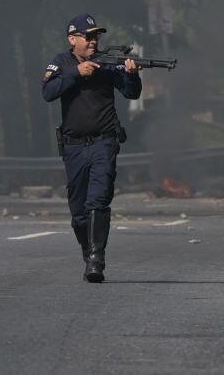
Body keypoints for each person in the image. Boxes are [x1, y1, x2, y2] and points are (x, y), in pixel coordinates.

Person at [41, 14, 142, 283]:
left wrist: (131, 75)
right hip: (74, 147)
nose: (94, 41)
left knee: (98, 201)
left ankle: (97, 259)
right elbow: (48, 92)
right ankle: (88, 251)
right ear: (73, 39)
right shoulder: (61, 62)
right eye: (88, 36)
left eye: (96, 36)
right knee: (78, 214)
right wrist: (76, 73)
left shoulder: (108, 64)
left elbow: (131, 93)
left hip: (103, 142)